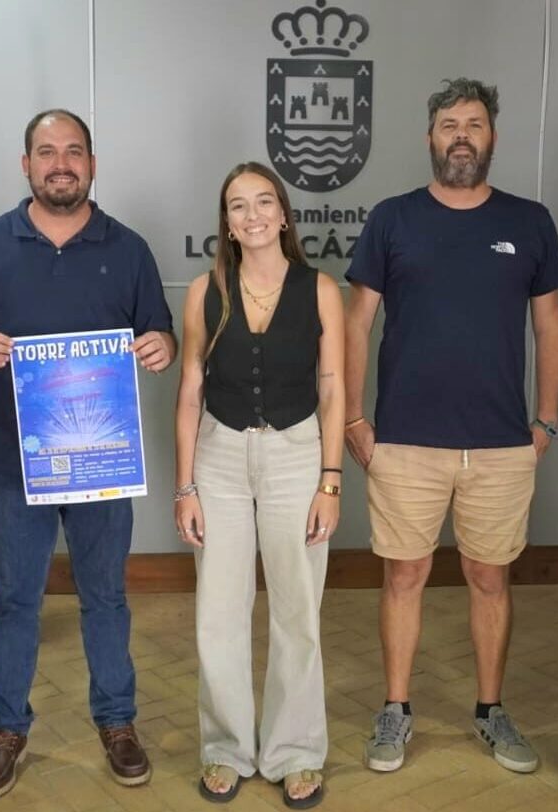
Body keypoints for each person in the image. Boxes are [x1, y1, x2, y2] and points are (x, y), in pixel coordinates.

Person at [0, 109, 176, 799]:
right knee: (15, 602)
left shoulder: (128, 248)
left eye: (73, 151)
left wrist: (162, 347)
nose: (60, 163)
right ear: (27, 165)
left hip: (102, 463)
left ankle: (118, 722)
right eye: (47, 152)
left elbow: (160, 332)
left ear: (92, 164)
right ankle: (7, 730)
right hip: (15, 465)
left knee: (106, 598)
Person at [343, 78, 558, 775]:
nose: (462, 135)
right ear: (430, 138)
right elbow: (355, 323)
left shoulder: (530, 221)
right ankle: (395, 709)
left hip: (501, 444)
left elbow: (550, 325)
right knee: (404, 576)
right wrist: (353, 417)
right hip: (404, 440)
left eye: (474, 123)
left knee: (489, 578)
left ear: (491, 137)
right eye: (449, 124)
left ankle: (490, 710)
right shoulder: (393, 218)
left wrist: (546, 421)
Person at [173, 162, 345, 807]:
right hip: (218, 456)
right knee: (218, 613)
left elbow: (334, 388)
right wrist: (185, 487)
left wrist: (331, 481)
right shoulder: (204, 290)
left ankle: (294, 751)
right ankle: (225, 747)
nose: (253, 215)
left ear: (282, 213)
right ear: (228, 222)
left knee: (297, 611)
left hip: (298, 456)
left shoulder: (320, 289)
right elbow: (190, 393)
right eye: (238, 206)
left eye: (264, 202)